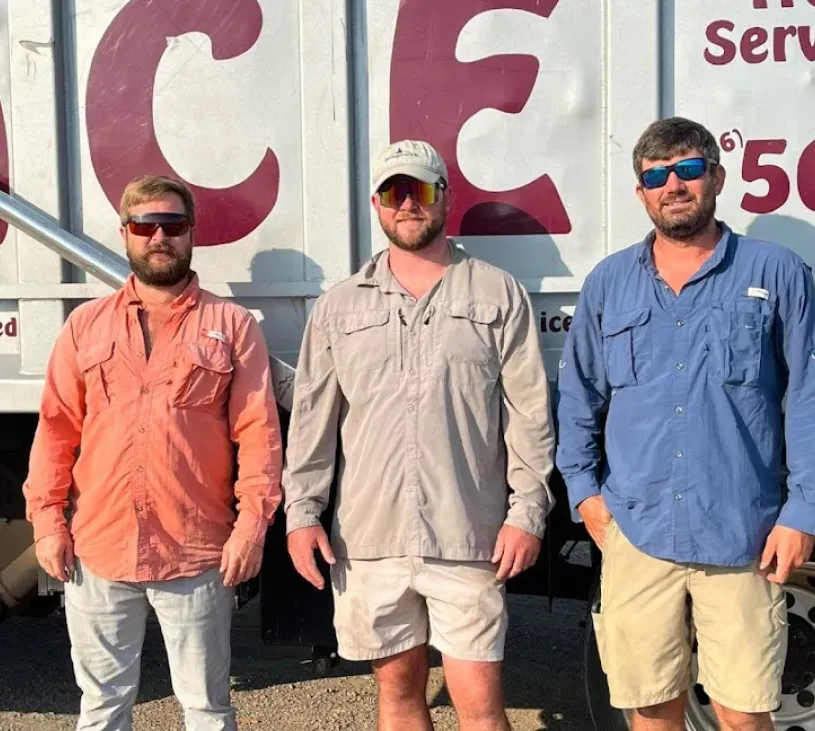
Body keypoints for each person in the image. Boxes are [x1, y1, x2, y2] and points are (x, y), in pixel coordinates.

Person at [283, 140, 556, 730]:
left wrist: (526, 512)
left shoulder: (496, 294)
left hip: (469, 535)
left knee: (481, 707)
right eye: (393, 192)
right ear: (377, 205)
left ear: (446, 198)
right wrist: (301, 514)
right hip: (369, 538)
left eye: (422, 189)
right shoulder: (337, 308)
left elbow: (529, 415)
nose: (408, 204)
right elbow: (312, 421)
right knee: (399, 697)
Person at [556, 116, 815, 731]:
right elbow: (578, 396)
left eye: (688, 169)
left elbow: (808, 395)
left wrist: (803, 511)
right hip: (636, 533)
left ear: (716, 177)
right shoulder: (608, 284)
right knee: (650, 710)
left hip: (743, 537)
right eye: (656, 176)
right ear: (641, 192)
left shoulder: (776, 273)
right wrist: (584, 494)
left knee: (745, 713)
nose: (674, 185)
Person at [23, 174, 283, 731]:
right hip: (99, 550)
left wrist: (250, 530)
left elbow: (259, 436)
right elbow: (55, 432)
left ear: (192, 233)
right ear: (125, 233)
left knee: (207, 710)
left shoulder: (231, 327)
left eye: (173, 224)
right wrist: (47, 523)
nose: (159, 236)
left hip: (195, 554)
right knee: (102, 708)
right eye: (145, 224)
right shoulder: (84, 327)